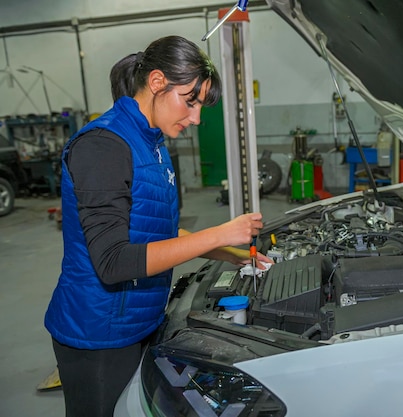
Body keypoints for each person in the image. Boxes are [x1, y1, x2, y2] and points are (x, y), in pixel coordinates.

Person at [44, 35, 272, 417]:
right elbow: (114, 262)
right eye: (190, 100)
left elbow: (163, 235)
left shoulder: (151, 144)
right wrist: (221, 232)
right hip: (100, 335)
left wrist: (233, 254)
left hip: (139, 321)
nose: (196, 118)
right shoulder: (104, 146)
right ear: (156, 83)